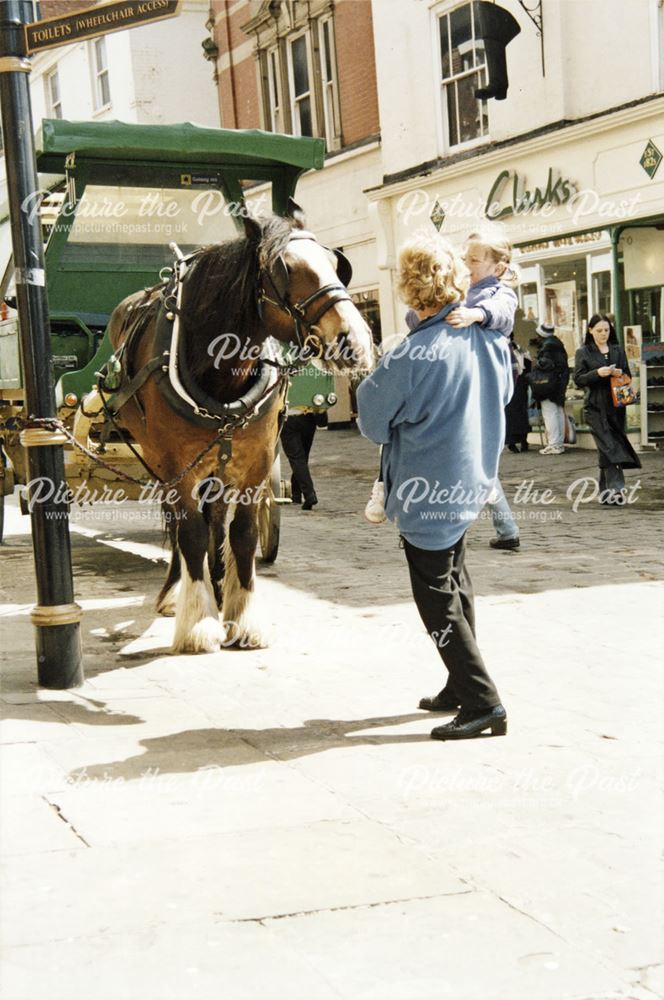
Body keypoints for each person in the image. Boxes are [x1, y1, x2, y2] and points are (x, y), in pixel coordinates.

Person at [356, 234, 512, 741]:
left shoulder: (409, 355)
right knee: (457, 579)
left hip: (429, 489)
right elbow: (506, 392)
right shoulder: (486, 336)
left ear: (408, 290)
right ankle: (459, 684)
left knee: (436, 595)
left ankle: (483, 702)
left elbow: (371, 422)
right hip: (472, 478)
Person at [574, 314, 641, 503]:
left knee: (607, 449)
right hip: (595, 408)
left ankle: (605, 494)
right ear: (590, 331)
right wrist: (597, 373)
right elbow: (578, 379)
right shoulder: (583, 352)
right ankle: (617, 490)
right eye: (599, 330)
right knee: (611, 447)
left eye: (606, 330)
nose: (603, 334)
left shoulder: (617, 350)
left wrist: (619, 372)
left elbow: (626, 372)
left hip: (616, 406)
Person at [532, 322, 569, 454]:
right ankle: (558, 444)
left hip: (549, 383)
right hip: (559, 381)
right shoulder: (556, 344)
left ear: (541, 335)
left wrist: (536, 362)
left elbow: (546, 364)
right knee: (557, 412)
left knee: (550, 413)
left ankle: (554, 444)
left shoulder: (548, 347)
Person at [281, 408, 327, 510]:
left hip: (288, 418)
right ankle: (296, 494)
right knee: (302, 458)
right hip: (308, 418)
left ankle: (309, 494)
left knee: (297, 458)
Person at [505, 332, 531, 453]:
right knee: (520, 412)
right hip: (519, 383)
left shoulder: (503, 348)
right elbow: (528, 364)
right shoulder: (519, 348)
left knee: (511, 414)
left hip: (509, 383)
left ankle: (513, 442)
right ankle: (523, 440)